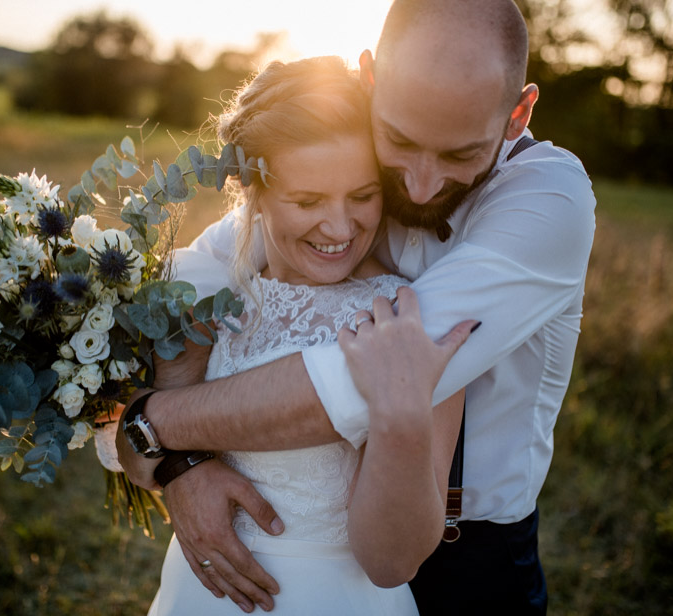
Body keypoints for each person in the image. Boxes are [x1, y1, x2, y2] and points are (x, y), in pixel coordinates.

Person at [116, 1, 596, 614]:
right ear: (372, 81)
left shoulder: (549, 198)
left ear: (518, 113)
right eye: (400, 141)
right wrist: (180, 468)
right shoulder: (345, 176)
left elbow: (356, 380)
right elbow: (189, 287)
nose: (420, 185)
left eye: (458, 155)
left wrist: (155, 427)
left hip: (472, 559)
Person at [96, 56, 478, 614]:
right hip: (198, 593)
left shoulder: (406, 316)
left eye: (363, 195)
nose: (341, 228)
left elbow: (393, 562)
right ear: (250, 189)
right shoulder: (207, 301)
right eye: (307, 202)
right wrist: (183, 471)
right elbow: (135, 443)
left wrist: (402, 409)